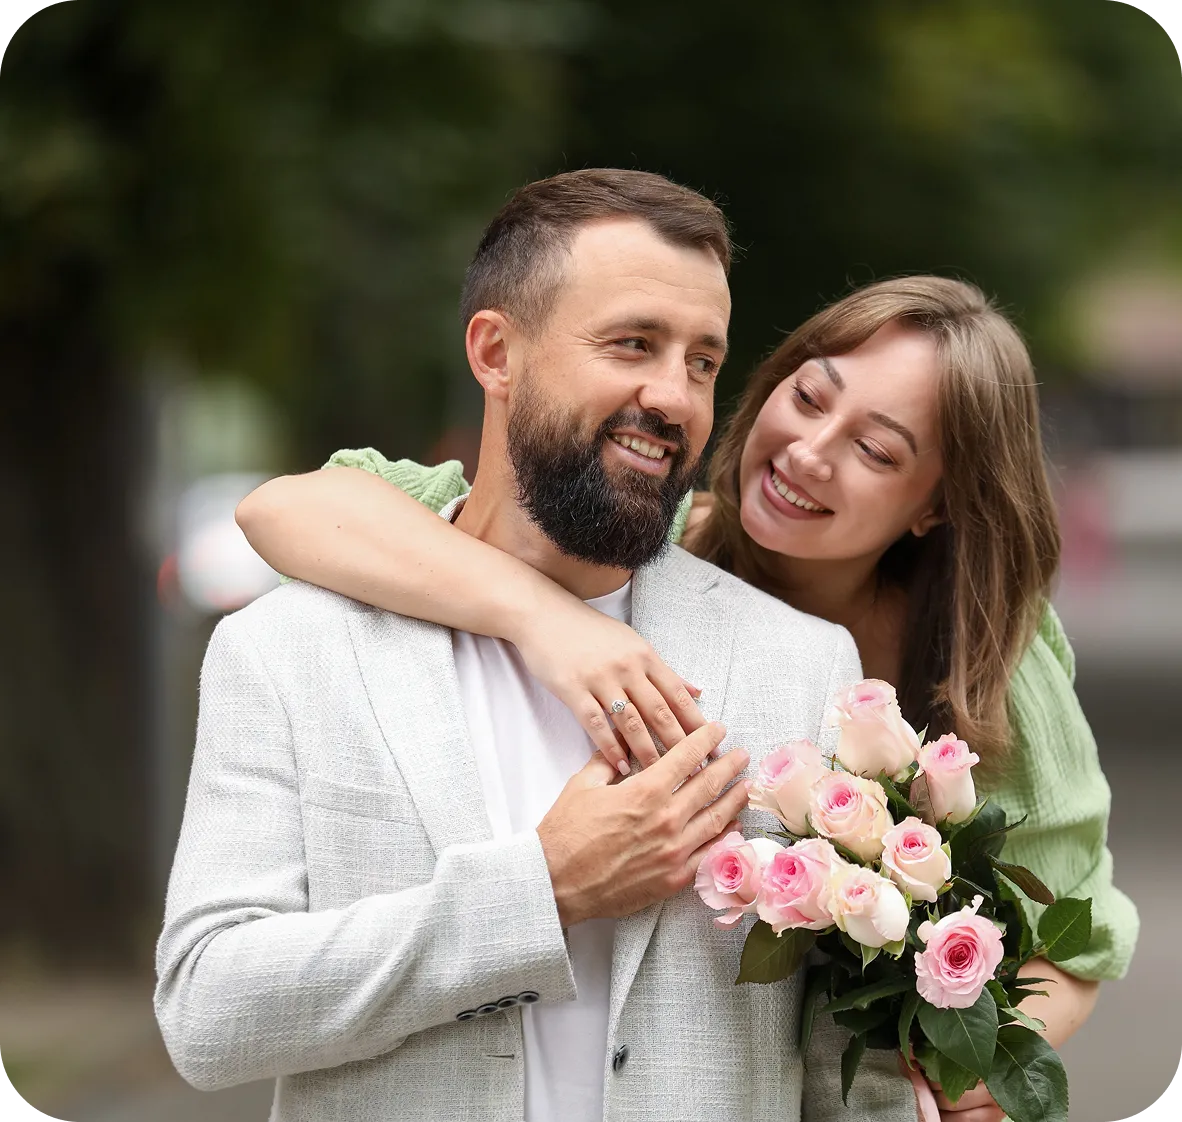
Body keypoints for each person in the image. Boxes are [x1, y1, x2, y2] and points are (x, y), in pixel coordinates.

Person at [238, 273, 1140, 1122]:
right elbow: (288, 510)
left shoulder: (987, 652)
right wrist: (548, 620)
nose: (809, 453)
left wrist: (989, 1054)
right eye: (809, 396)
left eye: (874, 449)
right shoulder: (638, 534)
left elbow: (1081, 926)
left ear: (934, 507)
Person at [157, 168, 921, 1122]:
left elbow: (850, 1082)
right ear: (495, 351)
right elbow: (209, 1010)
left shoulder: (802, 666)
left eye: (700, 361)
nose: (675, 397)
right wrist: (540, 891)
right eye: (633, 343)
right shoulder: (286, 652)